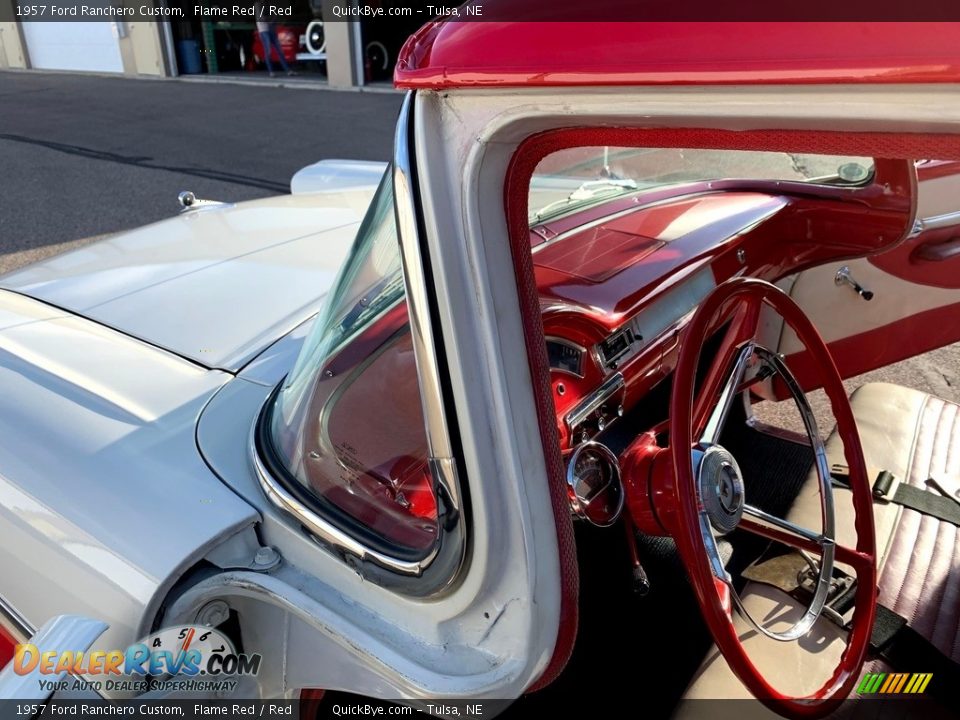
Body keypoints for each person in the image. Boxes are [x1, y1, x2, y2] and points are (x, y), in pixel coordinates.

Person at [255, 2, 296, 77]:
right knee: (268, 51)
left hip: (271, 29)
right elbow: (262, 18)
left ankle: (288, 70)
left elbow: (272, 16)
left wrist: (271, 18)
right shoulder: (258, 4)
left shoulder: (269, 4)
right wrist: (272, 19)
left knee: (279, 51)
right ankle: (271, 71)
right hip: (264, 30)